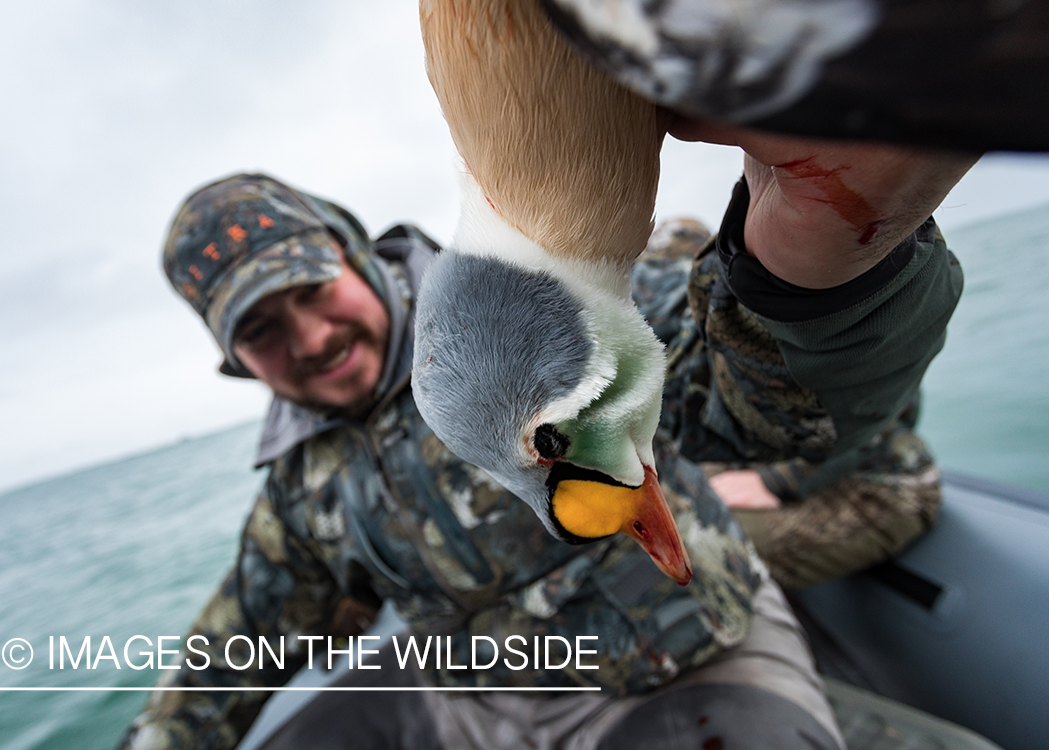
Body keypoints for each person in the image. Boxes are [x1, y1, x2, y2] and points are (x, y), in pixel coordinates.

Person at [120, 129, 969, 749]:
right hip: (475, 710)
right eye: (262, 329)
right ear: (238, 362)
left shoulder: (533, 303)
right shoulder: (303, 488)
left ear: (354, 256)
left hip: (682, 667)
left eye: (309, 289)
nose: (307, 338)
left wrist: (815, 272)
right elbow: (233, 648)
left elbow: (770, 404)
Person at [635, 218, 942, 591]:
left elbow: (880, 414)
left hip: (883, 484)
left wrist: (773, 481)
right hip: (802, 469)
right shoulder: (698, 334)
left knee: (692, 556)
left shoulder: (766, 314)